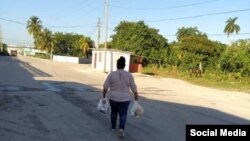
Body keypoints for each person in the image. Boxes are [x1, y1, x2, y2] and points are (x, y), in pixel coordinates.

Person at [103, 56, 138, 138]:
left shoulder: (111, 74)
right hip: (125, 98)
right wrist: (136, 96)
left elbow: (106, 86)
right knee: (123, 114)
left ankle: (113, 127)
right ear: (124, 66)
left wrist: (104, 96)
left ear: (117, 65)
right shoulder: (129, 75)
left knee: (114, 112)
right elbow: (133, 87)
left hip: (113, 97)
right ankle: (121, 129)